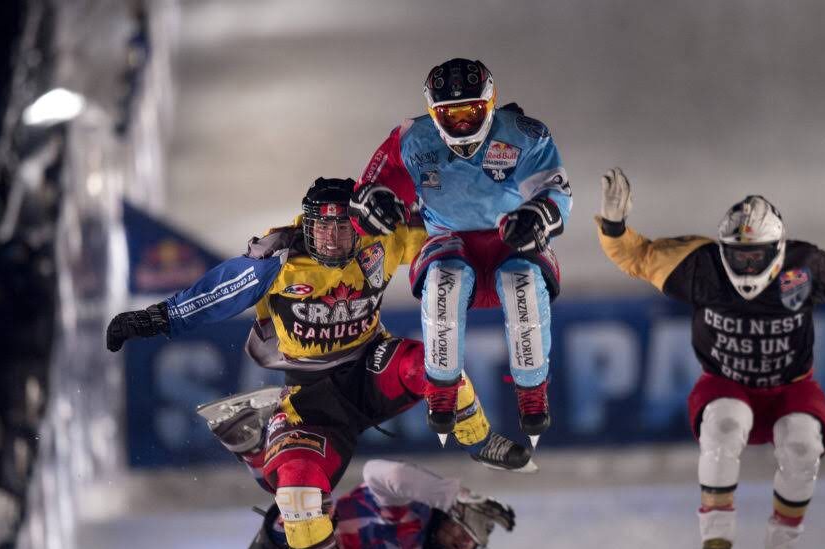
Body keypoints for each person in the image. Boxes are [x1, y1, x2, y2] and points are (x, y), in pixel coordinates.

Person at [107, 178, 532, 549]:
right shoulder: (278, 258)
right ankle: (265, 459)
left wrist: (515, 227)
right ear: (305, 226)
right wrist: (156, 318)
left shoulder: (383, 236)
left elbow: (453, 227)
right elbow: (219, 292)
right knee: (297, 496)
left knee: (431, 361)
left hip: (370, 367)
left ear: (359, 225)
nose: (330, 239)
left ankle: (480, 441)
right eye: (321, 228)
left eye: (342, 228)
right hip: (309, 399)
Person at [596, 168, 825, 549]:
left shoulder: (804, 267)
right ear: (722, 250)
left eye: (756, 255)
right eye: (739, 256)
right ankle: (716, 540)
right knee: (722, 429)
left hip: (791, 388)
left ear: (779, 249)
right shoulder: (698, 266)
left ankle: (782, 542)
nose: (749, 265)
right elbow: (635, 256)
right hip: (725, 384)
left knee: (803, 447)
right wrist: (613, 224)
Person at [349, 58, 572, 447]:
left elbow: (555, 189)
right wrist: (374, 205)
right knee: (444, 285)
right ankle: (441, 392)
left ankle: (533, 393)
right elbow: (368, 189)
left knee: (522, 284)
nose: (463, 126)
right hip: (447, 239)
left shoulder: (524, 135)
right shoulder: (410, 140)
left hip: (511, 236)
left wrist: (538, 216)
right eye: (450, 115)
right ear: (433, 113)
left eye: (471, 112)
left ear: (490, 104)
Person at [249, 459, 515, 549]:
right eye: (464, 532)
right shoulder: (411, 511)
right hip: (301, 529)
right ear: (451, 515)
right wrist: (452, 494)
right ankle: (250, 448)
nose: (463, 544)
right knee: (297, 474)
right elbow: (379, 472)